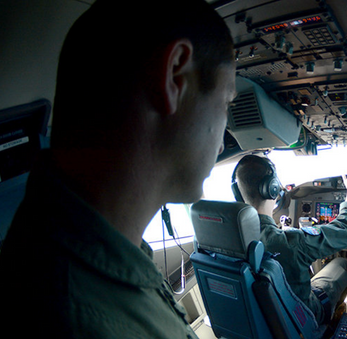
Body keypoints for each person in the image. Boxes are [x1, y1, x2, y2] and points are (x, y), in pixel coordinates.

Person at [0, 1, 236, 338]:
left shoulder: (54, 255)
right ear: (174, 76)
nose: (224, 141)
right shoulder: (84, 318)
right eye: (227, 101)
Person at [232, 154, 347, 325]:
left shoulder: (225, 238)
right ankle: (333, 323)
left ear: (238, 193)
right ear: (272, 188)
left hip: (260, 320)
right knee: (341, 264)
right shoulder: (290, 241)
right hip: (304, 315)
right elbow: (346, 231)